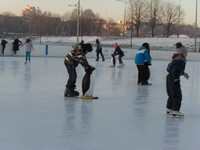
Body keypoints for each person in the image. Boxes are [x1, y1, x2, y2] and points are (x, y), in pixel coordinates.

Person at [166, 42, 189, 117]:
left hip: (169, 77)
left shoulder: (175, 59)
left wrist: (183, 73)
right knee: (177, 95)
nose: (186, 54)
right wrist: (176, 78)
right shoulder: (180, 60)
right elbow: (175, 70)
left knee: (171, 94)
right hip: (173, 78)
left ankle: (169, 108)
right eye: (185, 53)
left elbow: (170, 69)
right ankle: (175, 110)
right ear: (182, 53)